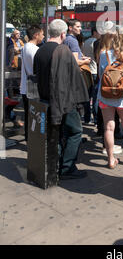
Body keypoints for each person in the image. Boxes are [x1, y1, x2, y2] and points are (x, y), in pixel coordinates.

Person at [34, 19, 89, 180]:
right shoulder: (62, 50)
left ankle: (56, 164)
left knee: (56, 134)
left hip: (45, 100)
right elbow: (69, 80)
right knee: (75, 132)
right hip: (63, 102)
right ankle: (67, 167)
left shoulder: (40, 50)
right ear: (63, 34)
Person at [97, 26, 123, 169]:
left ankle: (111, 160)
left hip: (106, 96)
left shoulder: (104, 54)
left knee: (108, 128)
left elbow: (100, 74)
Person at [20, 25, 44, 141]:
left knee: (28, 115)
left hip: (25, 87)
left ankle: (28, 139)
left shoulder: (25, 47)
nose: (43, 36)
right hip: (34, 89)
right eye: (42, 34)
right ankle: (33, 141)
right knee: (35, 116)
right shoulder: (35, 50)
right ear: (36, 35)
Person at [82, 26, 100, 124]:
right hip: (95, 71)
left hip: (87, 71)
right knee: (95, 98)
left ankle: (87, 118)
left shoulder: (86, 42)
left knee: (87, 97)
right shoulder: (96, 43)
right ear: (95, 32)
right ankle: (96, 119)